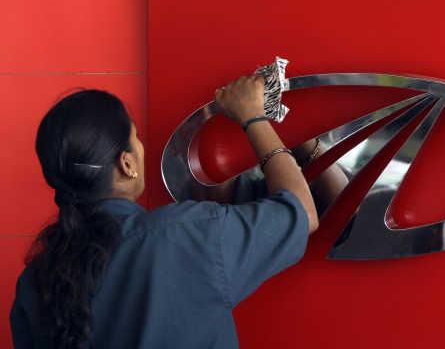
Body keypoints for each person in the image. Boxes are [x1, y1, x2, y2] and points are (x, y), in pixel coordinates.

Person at [9, 74, 347, 349]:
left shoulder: (33, 283)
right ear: (127, 164)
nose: (141, 145)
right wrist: (254, 118)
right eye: (136, 137)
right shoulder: (185, 235)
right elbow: (301, 212)